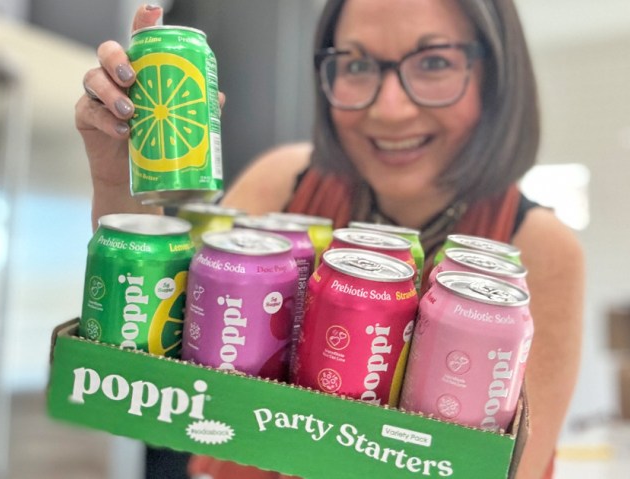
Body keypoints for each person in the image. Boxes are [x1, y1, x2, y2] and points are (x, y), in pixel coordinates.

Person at [77, 1, 584, 478]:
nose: (390, 109)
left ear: (495, 75)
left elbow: (503, 467)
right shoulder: (283, 180)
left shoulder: (541, 248)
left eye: (433, 62)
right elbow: (155, 351)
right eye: (357, 65)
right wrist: (119, 183)